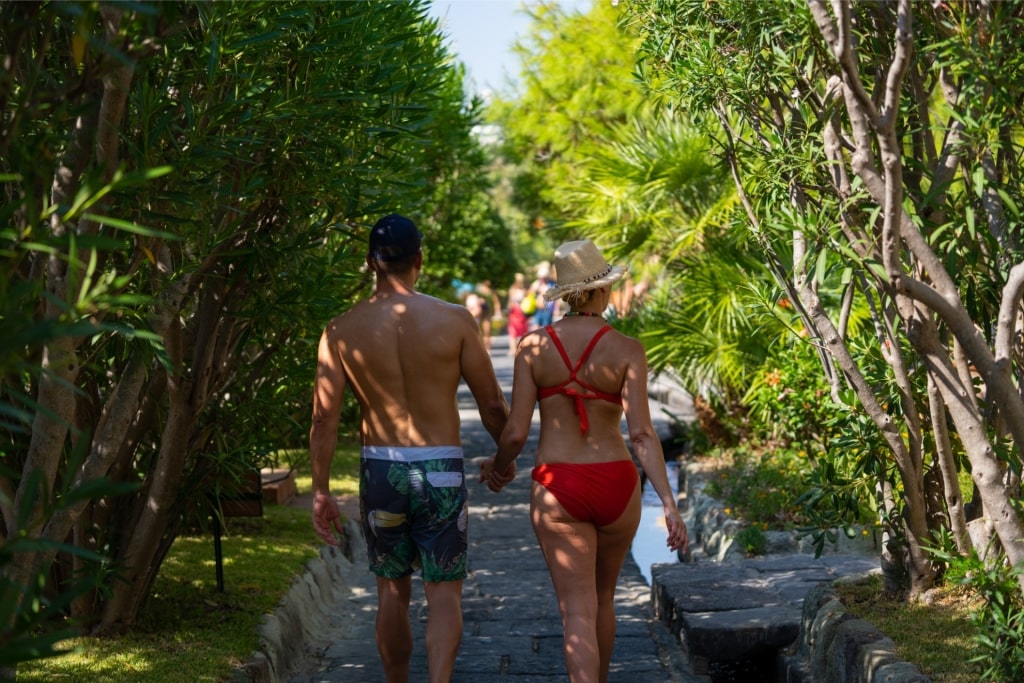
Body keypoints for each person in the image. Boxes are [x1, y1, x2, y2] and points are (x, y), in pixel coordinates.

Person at [310, 214, 509, 683]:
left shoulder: (340, 330)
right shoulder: (455, 321)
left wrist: (321, 491)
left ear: (369, 263)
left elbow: (324, 417)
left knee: (391, 592)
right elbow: (493, 404)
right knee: (444, 594)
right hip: (440, 467)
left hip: (381, 470)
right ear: (420, 259)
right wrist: (505, 458)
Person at [479, 239, 688, 683]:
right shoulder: (628, 349)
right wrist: (668, 502)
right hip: (617, 483)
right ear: (599, 292)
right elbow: (642, 435)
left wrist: (499, 467)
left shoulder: (533, 347)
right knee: (603, 599)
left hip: (558, 486)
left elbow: (515, 432)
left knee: (576, 610)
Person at [505, 272, 530, 355]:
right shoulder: (513, 290)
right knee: (513, 330)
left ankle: (518, 348)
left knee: (520, 329)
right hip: (516, 311)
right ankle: (513, 349)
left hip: (521, 311)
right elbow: (510, 302)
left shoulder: (524, 290)